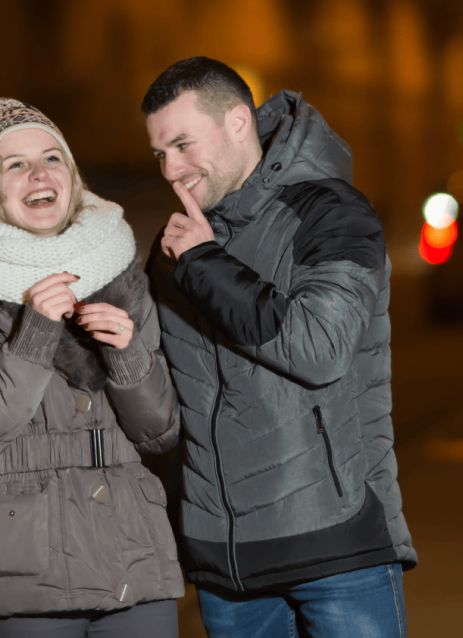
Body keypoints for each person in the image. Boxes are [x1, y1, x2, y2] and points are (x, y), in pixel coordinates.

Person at [142, 57, 415, 638]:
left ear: (239, 122)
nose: (173, 169)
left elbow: (320, 348)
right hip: (227, 564)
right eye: (161, 153)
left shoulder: (330, 212)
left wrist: (203, 262)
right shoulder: (178, 248)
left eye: (185, 144)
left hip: (335, 545)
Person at [0, 98, 184, 637]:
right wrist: (34, 333)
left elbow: (160, 433)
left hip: (133, 565)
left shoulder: (123, 279)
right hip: (26, 576)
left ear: (72, 175)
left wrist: (128, 354)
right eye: (14, 164)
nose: (38, 173)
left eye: (52, 157)